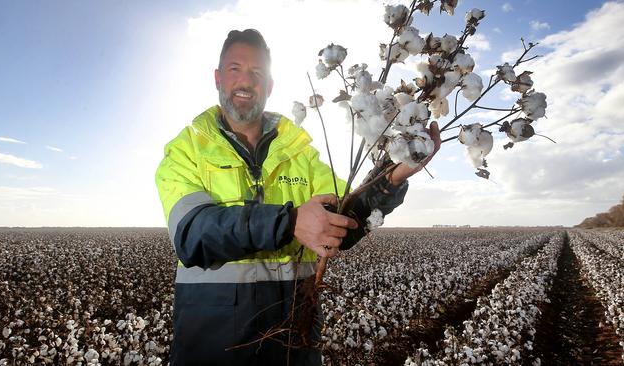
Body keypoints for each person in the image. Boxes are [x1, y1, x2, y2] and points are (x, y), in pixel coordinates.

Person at [155, 29, 440, 366]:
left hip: (295, 348)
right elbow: (192, 234)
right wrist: (289, 222)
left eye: (257, 73)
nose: (245, 81)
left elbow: (346, 215)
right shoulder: (185, 151)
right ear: (218, 78)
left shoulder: (300, 155)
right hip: (213, 351)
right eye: (235, 69)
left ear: (270, 85)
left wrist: (392, 177)